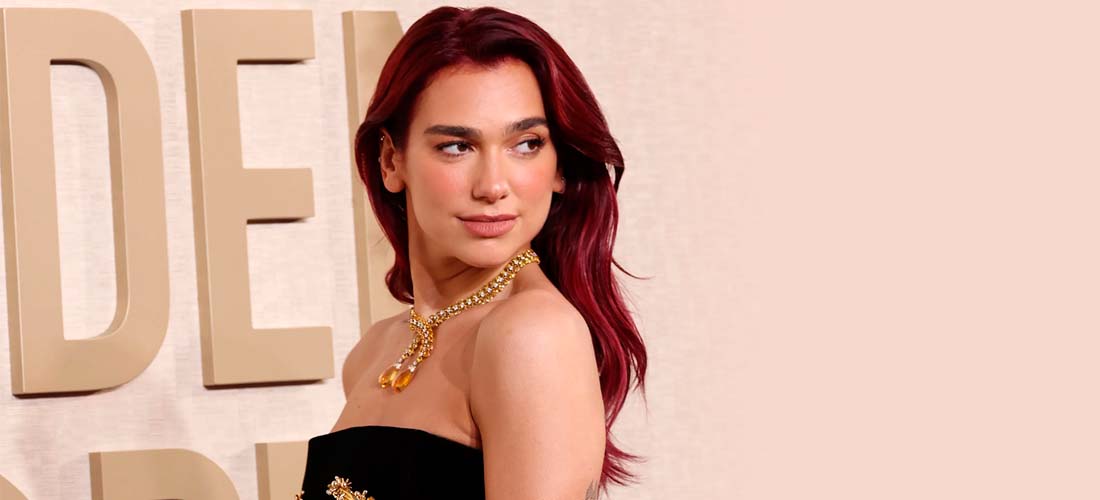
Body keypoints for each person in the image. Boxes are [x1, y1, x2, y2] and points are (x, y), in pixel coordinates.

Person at [297, 6, 647, 500]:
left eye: (526, 144)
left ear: (560, 167)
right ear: (391, 161)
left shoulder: (531, 334)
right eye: (457, 147)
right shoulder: (375, 351)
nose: (493, 186)